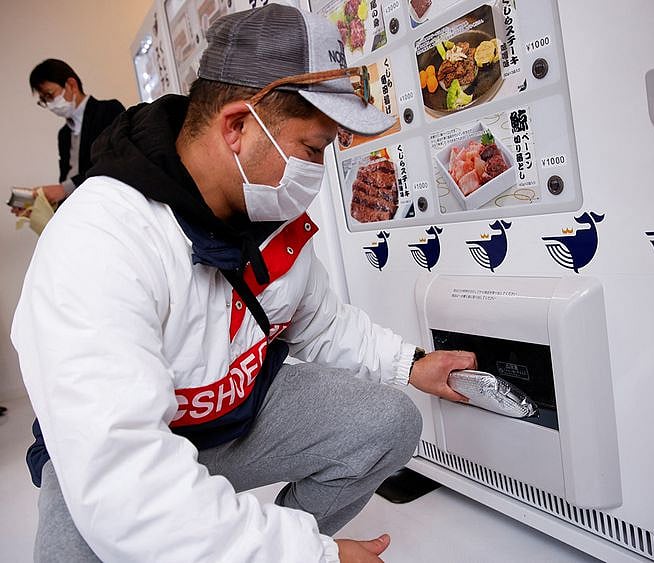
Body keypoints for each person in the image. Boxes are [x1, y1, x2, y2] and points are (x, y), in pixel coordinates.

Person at [12, 6, 476, 563]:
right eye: (312, 149)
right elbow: (123, 480)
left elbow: (320, 322)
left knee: (389, 422)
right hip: (120, 452)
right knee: (99, 536)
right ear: (236, 127)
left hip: (233, 419)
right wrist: (314, 558)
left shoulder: (266, 211)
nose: (318, 172)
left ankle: (246, 546)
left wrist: (413, 363)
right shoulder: (100, 239)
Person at [11, 59, 124, 217]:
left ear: (71, 85)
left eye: (50, 95)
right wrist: (42, 207)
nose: (49, 104)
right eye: (44, 100)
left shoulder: (107, 110)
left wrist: (63, 189)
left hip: (108, 207)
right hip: (78, 211)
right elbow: (67, 182)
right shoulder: (63, 135)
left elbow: (114, 161)